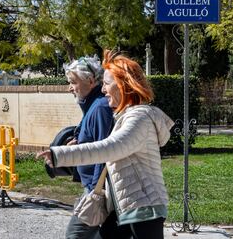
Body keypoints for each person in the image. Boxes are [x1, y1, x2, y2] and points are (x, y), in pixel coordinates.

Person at [38, 50, 174, 239]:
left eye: (107, 84)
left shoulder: (139, 118)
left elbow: (109, 148)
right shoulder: (126, 117)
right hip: (127, 206)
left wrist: (60, 155)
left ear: (123, 86)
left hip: (144, 208)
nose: (102, 90)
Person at [63, 55, 114, 239]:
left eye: (73, 82)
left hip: (96, 190)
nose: (70, 88)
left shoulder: (99, 108)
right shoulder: (92, 105)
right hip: (95, 188)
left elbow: (104, 151)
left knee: (75, 235)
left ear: (91, 81)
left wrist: (95, 193)